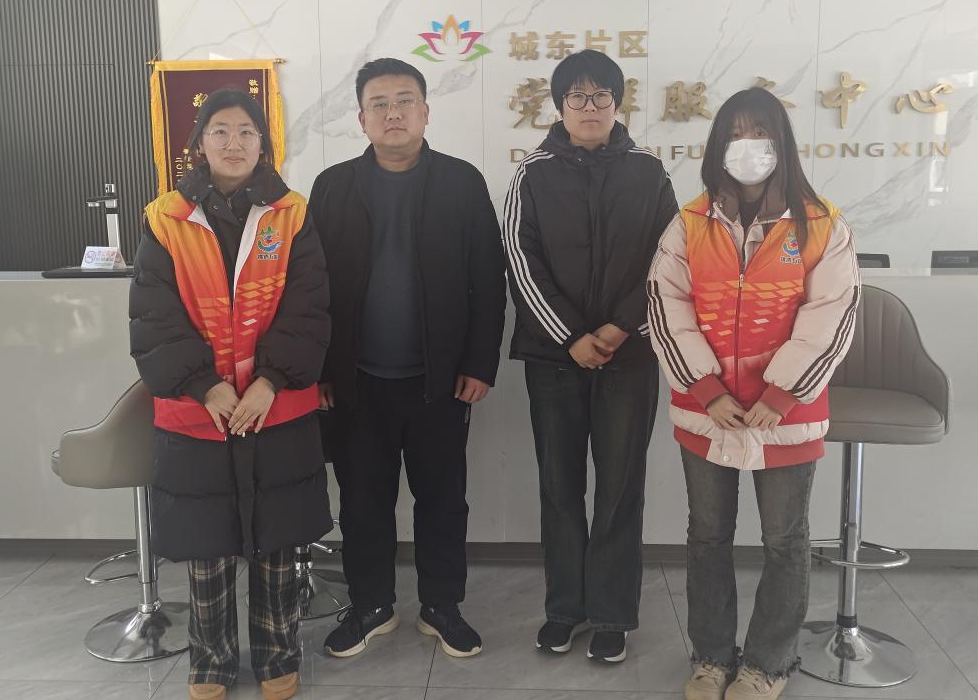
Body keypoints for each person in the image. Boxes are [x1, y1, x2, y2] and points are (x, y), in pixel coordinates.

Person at [646, 87, 860, 700]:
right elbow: (666, 306)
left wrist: (782, 394)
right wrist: (707, 390)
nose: (748, 146)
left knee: (785, 540)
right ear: (718, 146)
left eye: (760, 133)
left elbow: (833, 314)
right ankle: (712, 658)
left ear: (782, 144)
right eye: (735, 134)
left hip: (785, 415)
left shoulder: (822, 224)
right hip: (707, 411)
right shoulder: (689, 223)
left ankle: (768, 663)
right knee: (707, 536)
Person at [129, 88, 332, 700]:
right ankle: (210, 659)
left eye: (246, 131)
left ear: (263, 142)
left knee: (277, 540)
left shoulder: (291, 213)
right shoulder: (165, 218)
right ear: (199, 142)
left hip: (276, 403)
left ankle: (276, 654)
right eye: (220, 130)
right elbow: (154, 316)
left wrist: (269, 380)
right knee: (207, 545)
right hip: (200, 409)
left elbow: (310, 307)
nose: (234, 143)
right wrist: (205, 386)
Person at [309, 58, 505, 660]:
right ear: (361, 118)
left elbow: (487, 279)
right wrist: (320, 371)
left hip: (439, 381)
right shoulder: (333, 186)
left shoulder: (461, 182)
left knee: (442, 500)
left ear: (425, 110)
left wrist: (480, 363)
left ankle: (442, 606)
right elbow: (310, 287)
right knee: (362, 501)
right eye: (379, 103)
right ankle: (372, 605)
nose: (392, 113)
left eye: (404, 101)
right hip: (355, 380)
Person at [503, 49, 678, 663]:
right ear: (559, 106)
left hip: (629, 356)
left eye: (601, 95)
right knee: (560, 486)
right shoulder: (532, 173)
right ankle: (565, 609)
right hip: (555, 359)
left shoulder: (649, 172)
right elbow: (519, 260)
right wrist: (570, 336)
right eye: (576, 96)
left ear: (617, 103)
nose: (589, 106)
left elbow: (669, 259)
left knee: (620, 487)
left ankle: (612, 614)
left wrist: (620, 327)